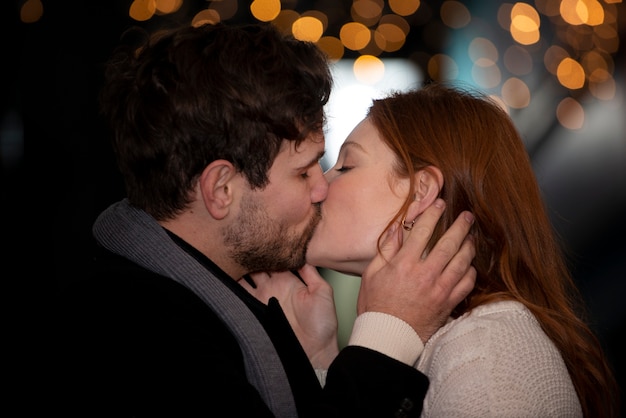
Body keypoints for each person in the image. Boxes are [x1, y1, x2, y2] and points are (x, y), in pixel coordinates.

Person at [46, 23, 477, 417]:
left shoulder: (177, 294)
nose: (321, 188)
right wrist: (387, 334)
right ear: (221, 189)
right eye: (304, 170)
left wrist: (318, 357)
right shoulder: (134, 332)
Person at [251, 83, 620, 417]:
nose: (318, 186)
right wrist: (322, 359)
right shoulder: (459, 344)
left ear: (421, 192)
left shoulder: (483, 356)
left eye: (345, 166)